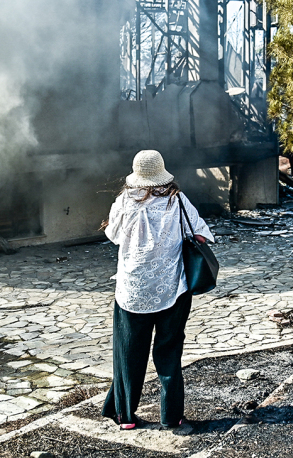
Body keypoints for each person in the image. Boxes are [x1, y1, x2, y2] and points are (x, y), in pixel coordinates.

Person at [101, 149, 214, 430]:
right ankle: (171, 416)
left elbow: (113, 235)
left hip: (132, 292)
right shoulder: (177, 200)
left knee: (128, 353)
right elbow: (200, 235)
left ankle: (125, 416)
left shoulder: (123, 201)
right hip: (171, 288)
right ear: (162, 173)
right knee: (169, 351)